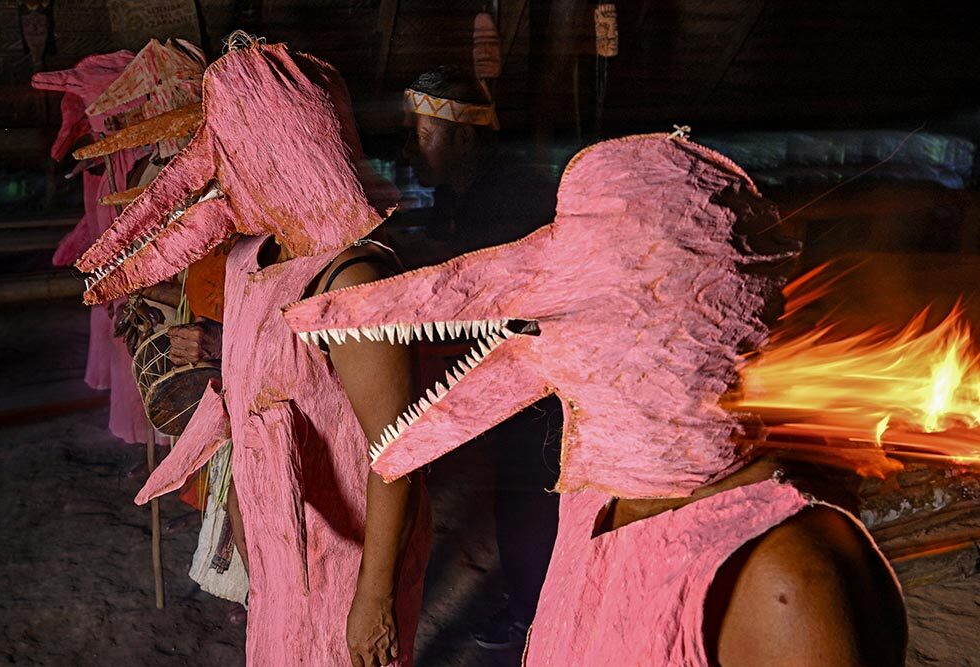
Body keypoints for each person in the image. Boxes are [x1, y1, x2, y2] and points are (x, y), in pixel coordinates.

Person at [282, 133, 906, 665]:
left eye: (579, 298)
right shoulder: (596, 496)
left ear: (654, 338)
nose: (539, 321)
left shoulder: (788, 576)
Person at [80, 40, 430, 665]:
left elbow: (399, 452)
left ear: (277, 151)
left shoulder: (351, 280)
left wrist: (373, 598)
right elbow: (265, 379)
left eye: (229, 150)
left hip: (348, 557)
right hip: (279, 549)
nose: (220, 170)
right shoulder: (251, 257)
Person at [401, 65, 562, 648]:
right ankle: (529, 601)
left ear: (463, 138)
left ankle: (535, 617)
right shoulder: (478, 190)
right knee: (519, 490)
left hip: (542, 372)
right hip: (520, 365)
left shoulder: (508, 194)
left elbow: (487, 285)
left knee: (530, 494)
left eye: (423, 136)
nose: (412, 150)